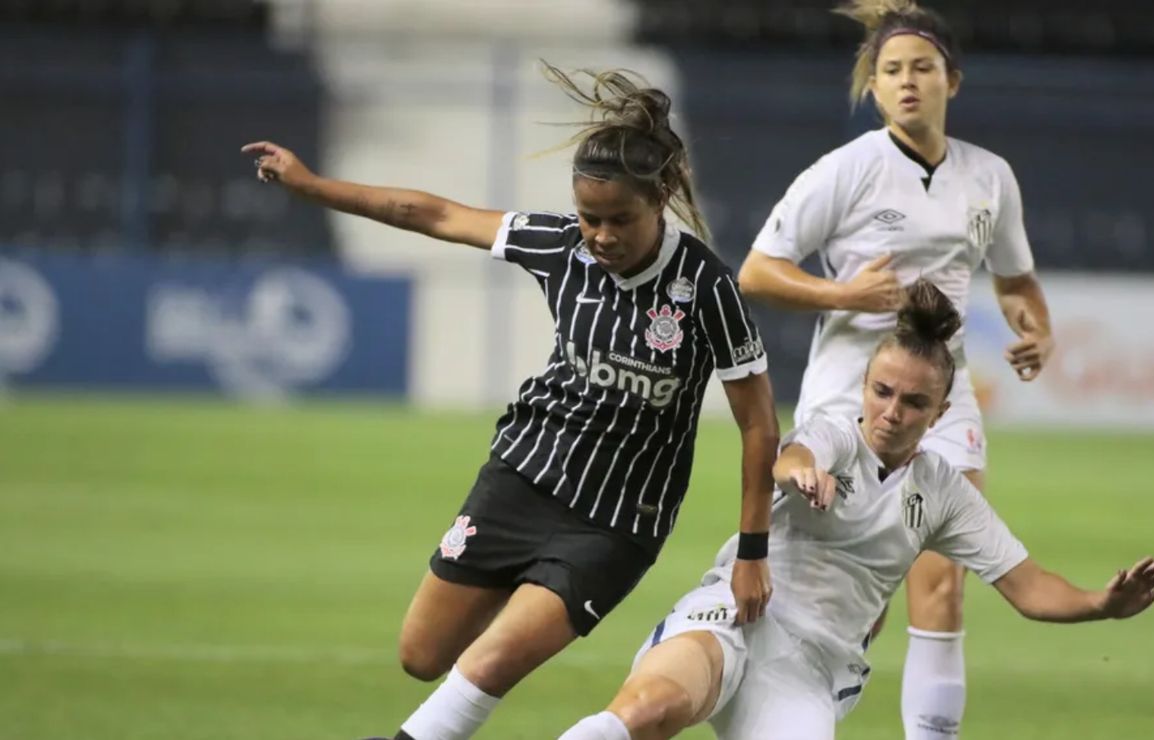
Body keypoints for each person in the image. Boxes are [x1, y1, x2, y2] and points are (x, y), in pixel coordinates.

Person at [242, 62, 780, 740]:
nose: (604, 236)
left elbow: (759, 422)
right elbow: (433, 213)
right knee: (422, 655)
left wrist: (753, 552)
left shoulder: (705, 287)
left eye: (621, 219)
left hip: (615, 522)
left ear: (662, 196)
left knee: (490, 663)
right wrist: (311, 186)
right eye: (591, 218)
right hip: (523, 477)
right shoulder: (558, 245)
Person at [559, 280, 1154, 740]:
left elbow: (1028, 586)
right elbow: (791, 454)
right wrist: (800, 470)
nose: (891, 411)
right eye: (881, 391)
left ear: (939, 411)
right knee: (646, 713)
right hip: (737, 614)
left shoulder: (944, 493)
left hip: (813, 666)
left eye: (913, 401)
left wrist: (1102, 605)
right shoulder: (835, 436)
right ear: (864, 387)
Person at [736, 2, 1056, 736]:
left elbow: (1015, 280)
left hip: (940, 407)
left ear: (953, 79)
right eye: (891, 72)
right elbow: (756, 271)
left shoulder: (990, 178)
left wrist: (1035, 330)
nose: (908, 82)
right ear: (874, 89)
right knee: (854, 599)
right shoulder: (845, 172)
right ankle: (782, 705)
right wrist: (842, 292)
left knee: (941, 584)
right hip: (849, 404)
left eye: (922, 67)